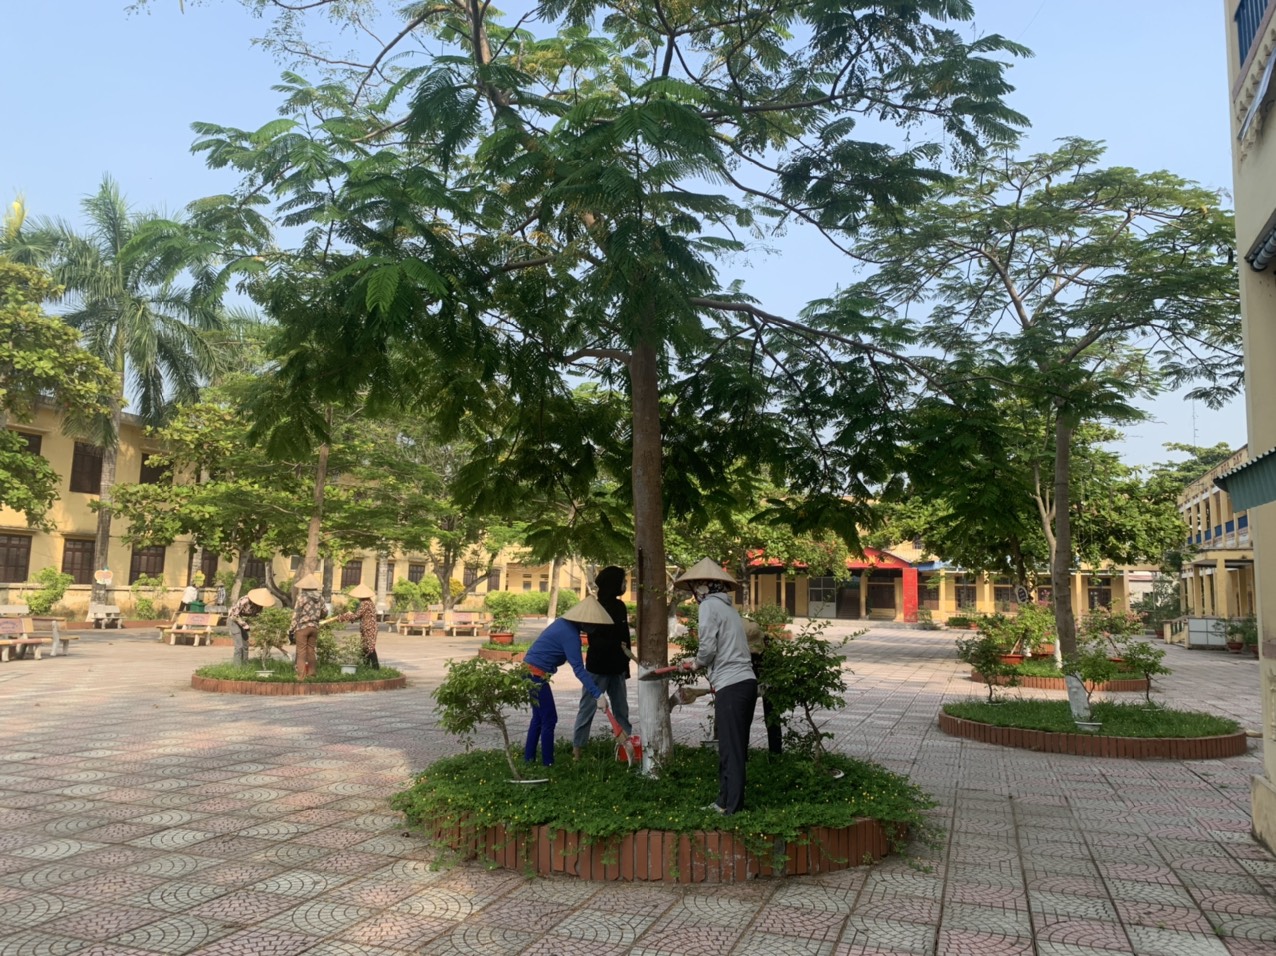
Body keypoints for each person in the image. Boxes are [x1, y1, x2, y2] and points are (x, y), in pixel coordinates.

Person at [676, 558, 757, 815]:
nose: (694, 593)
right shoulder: (729, 608)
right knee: (732, 747)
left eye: (695, 587)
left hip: (731, 685)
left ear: (703, 586)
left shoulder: (709, 606)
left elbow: (708, 648)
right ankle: (724, 801)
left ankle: (732, 809)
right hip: (745, 683)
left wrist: (695, 663)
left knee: (730, 750)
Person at [523, 596, 614, 767]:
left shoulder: (562, 624)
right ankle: (548, 763)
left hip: (528, 672)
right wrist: (598, 695)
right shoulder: (570, 635)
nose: (594, 628)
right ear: (584, 620)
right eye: (593, 624)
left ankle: (528, 759)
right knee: (549, 718)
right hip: (536, 674)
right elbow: (578, 668)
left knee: (539, 718)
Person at [571, 567, 633, 758]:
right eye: (622, 581)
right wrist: (614, 645)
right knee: (588, 708)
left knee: (621, 709)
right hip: (597, 668)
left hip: (617, 668)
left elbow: (625, 638)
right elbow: (594, 638)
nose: (625, 585)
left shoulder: (620, 606)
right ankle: (577, 750)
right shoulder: (595, 607)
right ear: (613, 584)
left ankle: (625, 749)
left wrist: (625, 666)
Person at [745, 619, 783, 755]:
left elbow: (779, 665)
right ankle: (742, 755)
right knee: (744, 718)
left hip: (769, 681)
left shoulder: (770, 643)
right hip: (746, 680)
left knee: (772, 719)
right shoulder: (738, 644)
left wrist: (768, 683)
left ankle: (775, 755)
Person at [226, 587, 277, 666]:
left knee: (245, 645)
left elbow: (257, 617)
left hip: (244, 622)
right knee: (239, 646)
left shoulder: (259, 606)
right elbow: (235, 615)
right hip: (234, 620)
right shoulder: (245, 600)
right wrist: (245, 625)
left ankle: (245, 666)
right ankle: (237, 667)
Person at [291, 573, 326, 680]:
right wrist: (317, 617)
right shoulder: (320, 598)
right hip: (314, 627)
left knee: (301, 652)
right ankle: (312, 675)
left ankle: (301, 676)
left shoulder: (302, 597)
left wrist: (291, 628)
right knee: (311, 651)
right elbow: (325, 612)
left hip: (302, 627)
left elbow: (296, 614)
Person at [339, 583, 380, 668]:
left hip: (369, 628)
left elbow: (356, 616)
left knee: (369, 648)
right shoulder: (369, 602)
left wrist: (343, 617)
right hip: (368, 627)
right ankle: (366, 666)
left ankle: (375, 667)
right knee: (365, 647)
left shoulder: (365, 603)